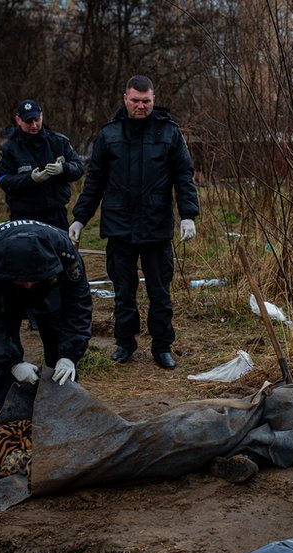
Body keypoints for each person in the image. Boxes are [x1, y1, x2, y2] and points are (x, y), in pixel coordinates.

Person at [69, 75, 199, 370]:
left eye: (146, 101)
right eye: (136, 100)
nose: (141, 106)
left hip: (156, 227)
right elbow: (95, 182)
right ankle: (124, 343)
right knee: (123, 291)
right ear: (125, 98)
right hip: (119, 227)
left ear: (154, 99)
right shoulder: (109, 134)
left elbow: (184, 176)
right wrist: (80, 219)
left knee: (160, 293)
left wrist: (188, 214)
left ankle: (162, 346)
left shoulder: (169, 133)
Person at [0, 220, 93, 409]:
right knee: (5, 339)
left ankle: (64, 408)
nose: (27, 286)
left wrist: (69, 355)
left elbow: (77, 306)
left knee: (56, 333)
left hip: (49, 284)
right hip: (5, 289)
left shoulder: (65, 253)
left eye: (31, 280)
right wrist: (12, 363)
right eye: (22, 281)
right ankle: (10, 412)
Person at [0, 99, 84, 229]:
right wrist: (30, 178)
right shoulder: (8, 149)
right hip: (23, 217)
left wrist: (63, 169)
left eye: (37, 120)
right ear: (18, 120)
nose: (34, 125)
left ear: (41, 116)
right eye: (28, 122)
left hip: (56, 215)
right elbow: (5, 181)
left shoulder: (58, 142)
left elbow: (79, 168)